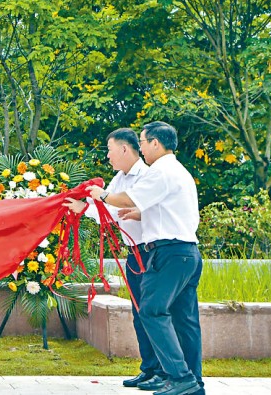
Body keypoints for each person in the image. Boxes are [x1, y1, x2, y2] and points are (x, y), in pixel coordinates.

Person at [87, 122, 203, 395]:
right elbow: (165, 210)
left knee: (151, 311)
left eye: (142, 142)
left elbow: (127, 199)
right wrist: (140, 214)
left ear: (155, 143)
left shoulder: (161, 171)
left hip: (169, 253)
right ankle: (193, 383)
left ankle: (179, 377)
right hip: (186, 252)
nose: (141, 148)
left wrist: (101, 195)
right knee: (184, 320)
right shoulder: (178, 171)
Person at [65, 128, 164, 391]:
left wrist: (99, 199)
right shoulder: (119, 179)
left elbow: (128, 207)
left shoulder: (147, 176)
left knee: (153, 313)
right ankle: (149, 368)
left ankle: (163, 371)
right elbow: (106, 211)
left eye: (109, 150)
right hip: (133, 255)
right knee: (139, 314)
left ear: (123, 149)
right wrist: (83, 208)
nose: (107, 156)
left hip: (152, 252)